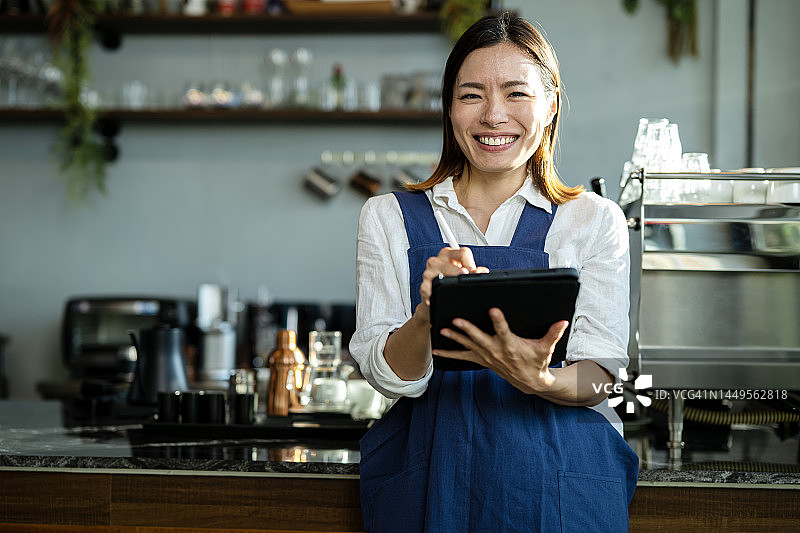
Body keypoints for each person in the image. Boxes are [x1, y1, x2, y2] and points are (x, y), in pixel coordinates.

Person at [350, 12, 638, 532]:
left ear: (550, 106)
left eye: (516, 94)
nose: (493, 115)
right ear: (450, 110)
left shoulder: (593, 220)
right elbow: (384, 375)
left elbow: (603, 378)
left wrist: (541, 379)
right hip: (427, 477)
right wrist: (426, 315)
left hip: (558, 487)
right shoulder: (388, 218)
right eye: (471, 95)